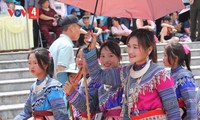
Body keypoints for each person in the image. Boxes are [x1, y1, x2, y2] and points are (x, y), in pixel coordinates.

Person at [83, 29, 181, 119]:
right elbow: (97, 75)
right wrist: (92, 49)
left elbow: (173, 110)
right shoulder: (124, 73)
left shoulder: (160, 75)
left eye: (135, 47)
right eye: (129, 46)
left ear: (149, 49)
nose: (130, 51)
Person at [14, 48, 69, 120]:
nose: (31, 66)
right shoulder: (33, 87)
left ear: (46, 65)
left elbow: (61, 115)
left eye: (35, 63)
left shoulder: (53, 87)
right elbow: (27, 112)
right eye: (29, 63)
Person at [64, 45, 101, 120]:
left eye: (84, 57)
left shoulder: (97, 80)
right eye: (78, 57)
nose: (80, 60)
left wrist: (72, 92)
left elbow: (90, 108)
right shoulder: (81, 81)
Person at [163, 42, 197, 119]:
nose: (163, 58)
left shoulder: (184, 76)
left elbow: (191, 104)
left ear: (175, 58)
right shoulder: (167, 75)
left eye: (165, 55)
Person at [97, 41, 123, 119]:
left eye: (111, 56)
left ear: (119, 58)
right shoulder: (101, 86)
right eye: (103, 56)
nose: (106, 60)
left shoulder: (122, 75)